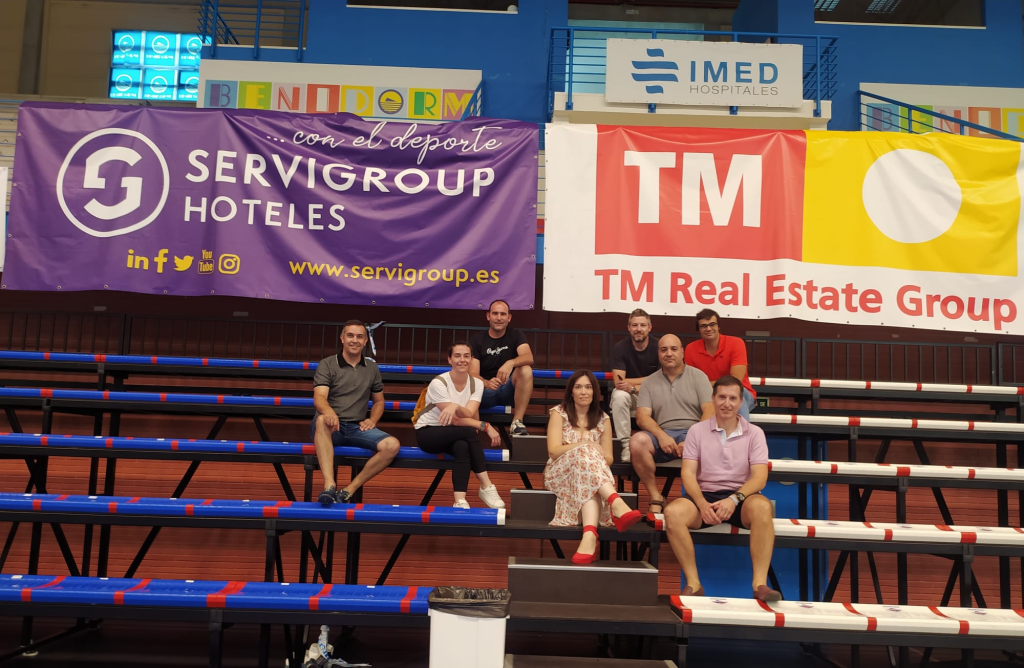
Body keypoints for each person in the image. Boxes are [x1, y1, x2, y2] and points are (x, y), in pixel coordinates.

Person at [664, 375, 780, 602]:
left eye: (732, 398)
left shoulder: (755, 433)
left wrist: (734, 499)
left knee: (763, 507)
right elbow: (688, 473)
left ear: (741, 402)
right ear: (713, 399)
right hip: (705, 496)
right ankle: (694, 584)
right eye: (722, 397)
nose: (727, 403)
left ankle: (759, 585)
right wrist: (701, 504)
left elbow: (760, 478)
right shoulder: (696, 431)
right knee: (672, 513)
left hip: (741, 497)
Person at [545, 369, 642, 564]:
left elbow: (609, 457)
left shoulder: (603, 419)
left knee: (589, 474)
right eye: (578, 387)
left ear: (594, 392)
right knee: (586, 455)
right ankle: (616, 502)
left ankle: (589, 535)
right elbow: (553, 451)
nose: (583, 392)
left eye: (588, 387)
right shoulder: (559, 413)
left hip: (589, 474)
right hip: (560, 472)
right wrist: (585, 445)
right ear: (571, 392)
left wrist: (592, 455)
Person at [312, 320, 401, 506]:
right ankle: (329, 485)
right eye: (350, 335)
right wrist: (329, 412)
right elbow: (319, 397)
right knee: (321, 420)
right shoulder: (327, 364)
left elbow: (379, 402)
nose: (355, 340)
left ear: (365, 341)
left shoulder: (372, 368)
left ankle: (348, 490)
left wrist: (372, 420)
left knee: (392, 445)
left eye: (360, 336)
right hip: (331, 426)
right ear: (342, 338)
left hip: (356, 428)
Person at [414, 342, 506, 509]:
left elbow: (468, 413)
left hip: (455, 432)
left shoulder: (477, 383)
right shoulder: (439, 383)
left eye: (466, 356)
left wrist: (455, 406)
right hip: (429, 432)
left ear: (471, 359)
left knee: (462, 446)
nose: (462, 360)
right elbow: (455, 420)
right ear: (449, 359)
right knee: (468, 432)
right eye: (457, 356)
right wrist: (486, 426)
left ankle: (459, 500)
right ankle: (486, 486)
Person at [629, 334, 713, 515]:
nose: (669, 353)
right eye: (664, 350)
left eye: (674, 349)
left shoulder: (699, 377)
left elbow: (710, 412)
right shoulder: (649, 382)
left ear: (682, 352)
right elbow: (642, 417)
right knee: (637, 441)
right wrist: (661, 436)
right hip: (664, 435)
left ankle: (700, 500)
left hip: (694, 433)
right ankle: (656, 497)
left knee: (713, 443)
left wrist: (692, 440)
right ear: (658, 354)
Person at [470, 299, 534, 436]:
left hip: (509, 390)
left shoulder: (516, 334)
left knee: (525, 369)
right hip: (485, 393)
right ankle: (472, 432)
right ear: (488, 316)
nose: (499, 318)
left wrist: (510, 363)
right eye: (495, 313)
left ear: (509, 318)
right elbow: (472, 374)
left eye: (503, 314)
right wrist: (486, 383)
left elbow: (529, 357)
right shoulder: (477, 339)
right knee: (468, 385)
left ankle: (517, 422)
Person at [684, 309, 757, 420]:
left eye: (712, 324)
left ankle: (742, 431)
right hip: (708, 395)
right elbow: (692, 382)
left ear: (719, 326)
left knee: (732, 393)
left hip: (741, 393)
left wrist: (707, 384)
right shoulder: (690, 349)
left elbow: (735, 380)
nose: (708, 328)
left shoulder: (736, 343)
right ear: (698, 330)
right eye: (703, 326)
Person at [609, 309, 661, 463]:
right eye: (635, 325)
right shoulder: (620, 348)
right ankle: (625, 446)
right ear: (629, 327)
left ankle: (660, 444)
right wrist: (648, 381)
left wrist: (633, 385)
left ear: (649, 327)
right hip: (632, 396)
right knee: (618, 395)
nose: (639, 329)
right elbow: (619, 382)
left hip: (654, 395)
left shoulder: (659, 346)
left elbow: (661, 380)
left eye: (643, 325)